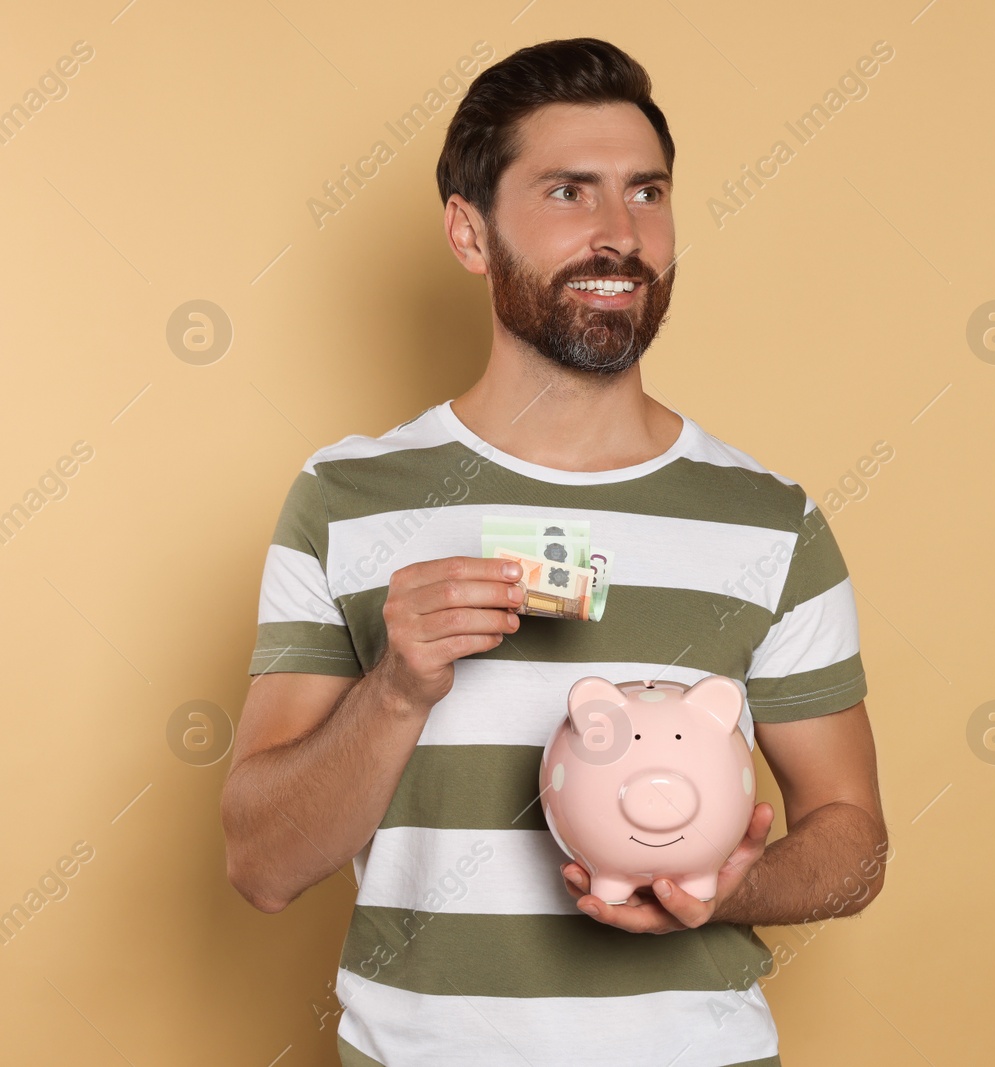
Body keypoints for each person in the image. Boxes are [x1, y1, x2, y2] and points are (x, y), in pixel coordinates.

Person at [220, 37, 888, 1067]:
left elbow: (855, 845)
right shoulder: (347, 499)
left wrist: (716, 888)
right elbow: (261, 863)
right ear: (469, 233)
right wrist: (397, 687)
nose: (619, 234)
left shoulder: (771, 519)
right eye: (568, 193)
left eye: (646, 193)